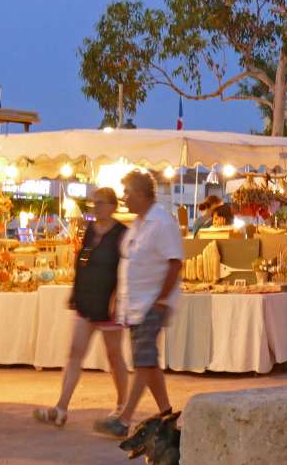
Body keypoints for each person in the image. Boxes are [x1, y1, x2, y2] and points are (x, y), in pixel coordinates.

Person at [94, 171, 184, 439]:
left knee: (143, 360)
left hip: (152, 304)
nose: (124, 198)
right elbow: (128, 263)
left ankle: (124, 419)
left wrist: (161, 300)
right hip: (135, 304)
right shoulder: (137, 225)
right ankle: (167, 414)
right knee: (148, 362)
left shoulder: (162, 223)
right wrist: (117, 296)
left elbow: (175, 262)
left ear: (142, 194)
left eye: (128, 193)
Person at [34, 187, 128, 427]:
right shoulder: (90, 231)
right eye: (93, 203)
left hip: (109, 303)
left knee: (114, 355)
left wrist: (117, 297)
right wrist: (75, 292)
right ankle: (61, 407)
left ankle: (122, 406)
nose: (95, 208)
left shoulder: (122, 234)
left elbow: (125, 269)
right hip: (87, 299)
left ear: (112, 205)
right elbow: (82, 262)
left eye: (100, 203)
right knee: (75, 352)